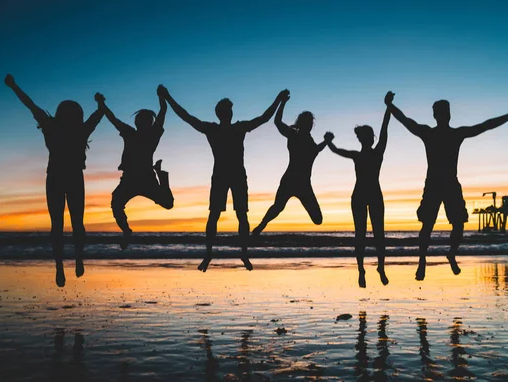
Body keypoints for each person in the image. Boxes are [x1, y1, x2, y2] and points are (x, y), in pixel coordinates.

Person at [386, 91, 508, 280]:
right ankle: (422, 261)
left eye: (445, 112)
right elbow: (405, 120)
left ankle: (449, 254)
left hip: (447, 183)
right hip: (437, 183)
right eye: (441, 112)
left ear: (447, 115)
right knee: (429, 225)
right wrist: (390, 106)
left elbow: (486, 126)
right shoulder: (435, 133)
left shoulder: (452, 134)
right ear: (438, 115)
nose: (443, 115)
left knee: (457, 224)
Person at [160, 86, 288, 272]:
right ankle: (208, 255)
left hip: (236, 175)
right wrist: (168, 97)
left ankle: (243, 253)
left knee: (241, 215)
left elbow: (264, 118)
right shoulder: (213, 129)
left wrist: (279, 100)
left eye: (230, 110)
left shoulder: (238, 128)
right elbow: (186, 116)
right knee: (215, 215)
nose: (229, 113)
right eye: (227, 111)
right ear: (221, 114)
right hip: (221, 175)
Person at [4, 74, 105, 287]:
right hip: (70, 178)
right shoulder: (77, 129)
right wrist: (100, 102)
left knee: (61, 224)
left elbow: (30, 105)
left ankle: (65, 264)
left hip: (58, 178)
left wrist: (14, 86)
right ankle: (71, 262)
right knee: (72, 223)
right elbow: (99, 114)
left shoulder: (54, 126)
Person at [326, 92, 393, 288]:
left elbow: (385, 127)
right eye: (363, 136)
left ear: (369, 139)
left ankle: (379, 268)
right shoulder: (360, 154)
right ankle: (362, 270)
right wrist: (328, 142)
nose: (366, 139)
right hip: (362, 195)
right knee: (362, 234)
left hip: (371, 195)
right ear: (364, 139)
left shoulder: (374, 152)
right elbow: (338, 151)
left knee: (375, 234)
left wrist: (388, 106)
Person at [102, 86, 174, 249]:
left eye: (147, 121)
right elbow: (112, 119)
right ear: (137, 122)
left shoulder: (153, 134)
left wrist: (161, 97)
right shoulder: (129, 133)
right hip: (129, 179)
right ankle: (127, 231)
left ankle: (161, 175)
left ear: (149, 123)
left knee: (168, 204)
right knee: (116, 203)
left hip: (147, 178)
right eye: (141, 121)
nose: (143, 123)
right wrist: (102, 104)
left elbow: (162, 112)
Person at [252, 92, 331, 235]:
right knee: (278, 207)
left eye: (310, 123)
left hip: (302, 183)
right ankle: (261, 226)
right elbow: (277, 122)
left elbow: (316, 150)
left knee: (317, 219)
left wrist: (326, 141)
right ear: (303, 123)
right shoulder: (293, 135)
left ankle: (264, 226)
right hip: (292, 180)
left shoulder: (309, 141)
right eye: (308, 122)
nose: (310, 125)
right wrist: (283, 103)